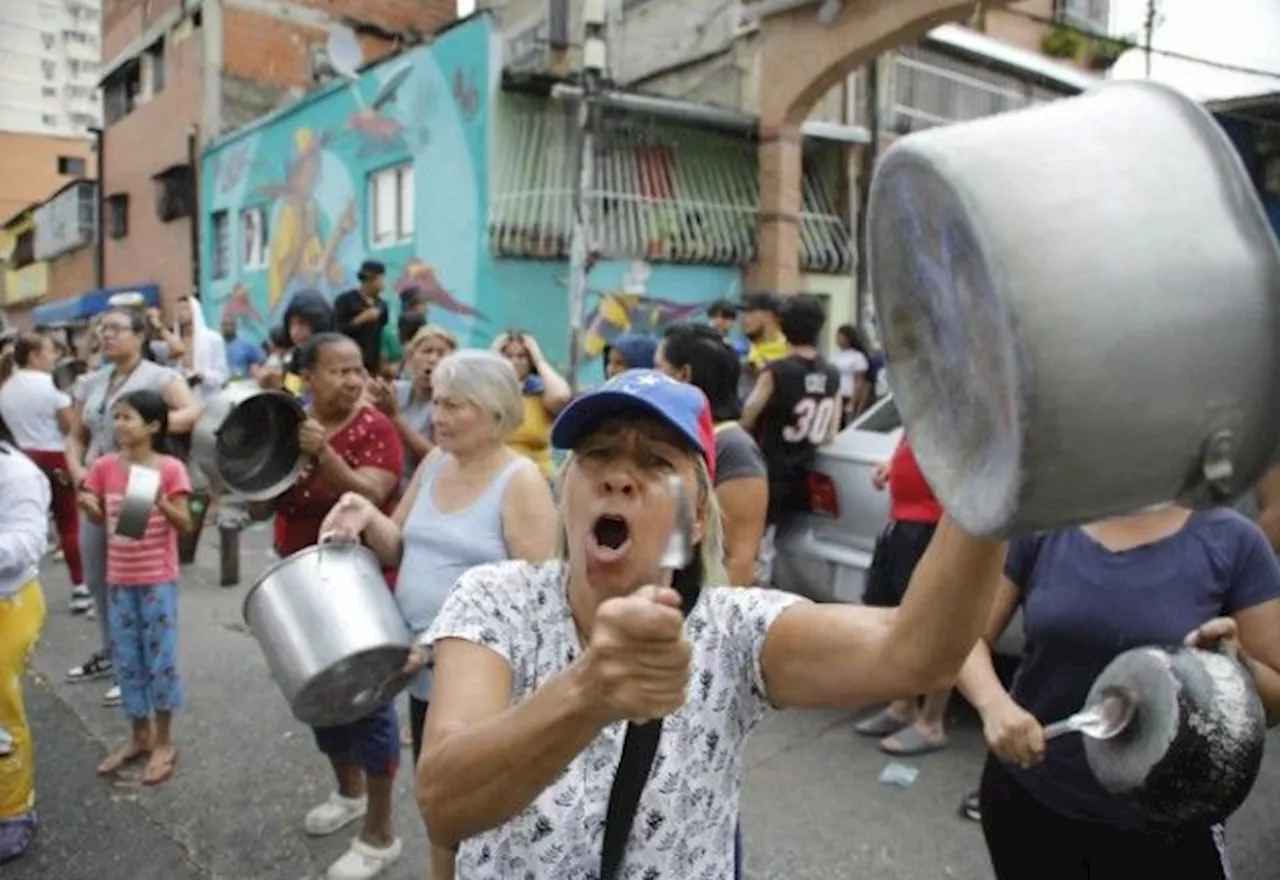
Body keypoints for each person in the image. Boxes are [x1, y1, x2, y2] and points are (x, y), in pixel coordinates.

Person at [413, 368, 1008, 878]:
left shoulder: (733, 632)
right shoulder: (496, 600)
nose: (619, 475)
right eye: (597, 453)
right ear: (563, 490)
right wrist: (587, 693)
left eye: (654, 461)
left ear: (695, 520)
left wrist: (994, 470)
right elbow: (443, 805)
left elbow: (916, 653)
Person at [957, 504, 1280, 878]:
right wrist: (994, 704)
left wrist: (1238, 666)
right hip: (1031, 800)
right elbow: (965, 640)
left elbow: (1275, 699)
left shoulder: (1234, 540)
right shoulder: (1045, 520)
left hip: (1169, 826)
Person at [323, 349, 558, 760]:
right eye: (435, 402)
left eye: (452, 405)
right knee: (431, 790)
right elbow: (397, 545)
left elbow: (538, 600)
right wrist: (364, 513)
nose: (437, 416)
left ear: (495, 412)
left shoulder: (521, 482)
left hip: (480, 684)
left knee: (472, 800)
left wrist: (437, 649)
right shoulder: (435, 461)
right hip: (419, 672)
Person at [256, 332, 405, 880]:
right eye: (338, 371)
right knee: (315, 696)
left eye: (357, 370)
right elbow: (258, 502)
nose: (352, 380)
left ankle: (381, 833)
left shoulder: (376, 428)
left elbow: (371, 494)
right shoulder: (286, 423)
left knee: (368, 704)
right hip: (295, 584)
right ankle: (349, 793)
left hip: (356, 585)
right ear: (308, 378)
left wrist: (323, 455)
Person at [65, 307, 201, 709]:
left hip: (139, 480)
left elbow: (192, 413)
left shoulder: (160, 378)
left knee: (137, 567)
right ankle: (114, 654)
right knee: (98, 574)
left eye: (117, 329)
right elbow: (75, 435)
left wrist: (146, 427)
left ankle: (141, 670)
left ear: (140, 336)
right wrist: (77, 472)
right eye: (103, 329)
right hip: (97, 479)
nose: (107, 336)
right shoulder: (92, 382)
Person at [79, 390, 192, 786]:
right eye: (116, 417)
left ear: (153, 426)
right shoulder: (105, 466)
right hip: (119, 579)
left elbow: (186, 525)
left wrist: (162, 503)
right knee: (127, 658)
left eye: (127, 417)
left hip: (156, 580)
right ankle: (138, 736)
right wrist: (89, 505)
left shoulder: (170, 468)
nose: (118, 424)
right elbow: (95, 510)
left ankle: (163, 741)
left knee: (160, 659)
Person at [855, 436, 950, 756]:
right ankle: (903, 704)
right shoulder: (928, 399)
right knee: (897, 616)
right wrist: (893, 467)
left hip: (937, 524)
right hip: (903, 520)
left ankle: (931, 722)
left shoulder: (968, 401)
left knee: (938, 624)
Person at [655, 321, 767, 587]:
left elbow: (739, 558)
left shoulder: (734, 449)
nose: (653, 378)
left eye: (659, 369)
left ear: (684, 375)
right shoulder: (679, 438)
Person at [741, 294, 840, 586]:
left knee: (756, 550)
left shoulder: (776, 371)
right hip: (806, 474)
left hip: (769, 473)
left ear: (784, 328)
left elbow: (748, 415)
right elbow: (830, 431)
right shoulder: (832, 374)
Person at [0, 331, 88, 611]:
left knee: (22, 523)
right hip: (53, 457)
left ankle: (24, 584)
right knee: (69, 523)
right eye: (50, 352)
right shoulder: (50, 389)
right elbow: (70, 429)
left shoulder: (7, 388)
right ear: (35, 356)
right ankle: (80, 586)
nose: (54, 357)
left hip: (21, 456)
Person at [0, 412, 51, 862]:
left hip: (9, 602)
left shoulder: (15, 473)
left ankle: (14, 809)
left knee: (0, 709)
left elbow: (29, 541)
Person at [369, 325, 456, 486]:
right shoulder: (393, 391)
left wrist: (396, 418)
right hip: (379, 478)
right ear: (410, 358)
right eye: (427, 351)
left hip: (418, 486)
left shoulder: (452, 404)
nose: (433, 359)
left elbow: (439, 459)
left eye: (441, 354)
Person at [495, 330, 571, 479]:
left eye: (521, 356)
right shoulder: (489, 392)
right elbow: (469, 394)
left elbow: (561, 396)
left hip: (537, 476)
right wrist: (491, 355)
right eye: (508, 356)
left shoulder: (540, 392)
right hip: (494, 476)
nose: (514, 362)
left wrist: (538, 359)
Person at [334, 261, 389, 375]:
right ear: (370, 280)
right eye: (380, 280)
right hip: (349, 365)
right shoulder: (345, 301)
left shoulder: (381, 304)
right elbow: (336, 331)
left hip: (373, 368)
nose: (383, 284)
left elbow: (381, 333)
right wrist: (360, 320)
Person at [740, 292, 789, 378]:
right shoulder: (744, 351)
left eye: (750, 312)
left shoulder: (789, 351)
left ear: (768, 315)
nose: (744, 318)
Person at [831, 324, 872, 424]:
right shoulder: (835, 354)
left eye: (840, 336)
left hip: (847, 395)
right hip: (835, 394)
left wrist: (852, 402)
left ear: (848, 338)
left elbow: (859, 381)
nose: (837, 339)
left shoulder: (857, 357)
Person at [219, 313, 265, 380]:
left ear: (236, 326)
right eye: (225, 324)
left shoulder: (247, 345)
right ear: (221, 326)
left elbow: (262, 362)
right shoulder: (215, 346)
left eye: (231, 324)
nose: (228, 327)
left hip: (242, 386)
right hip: (219, 386)